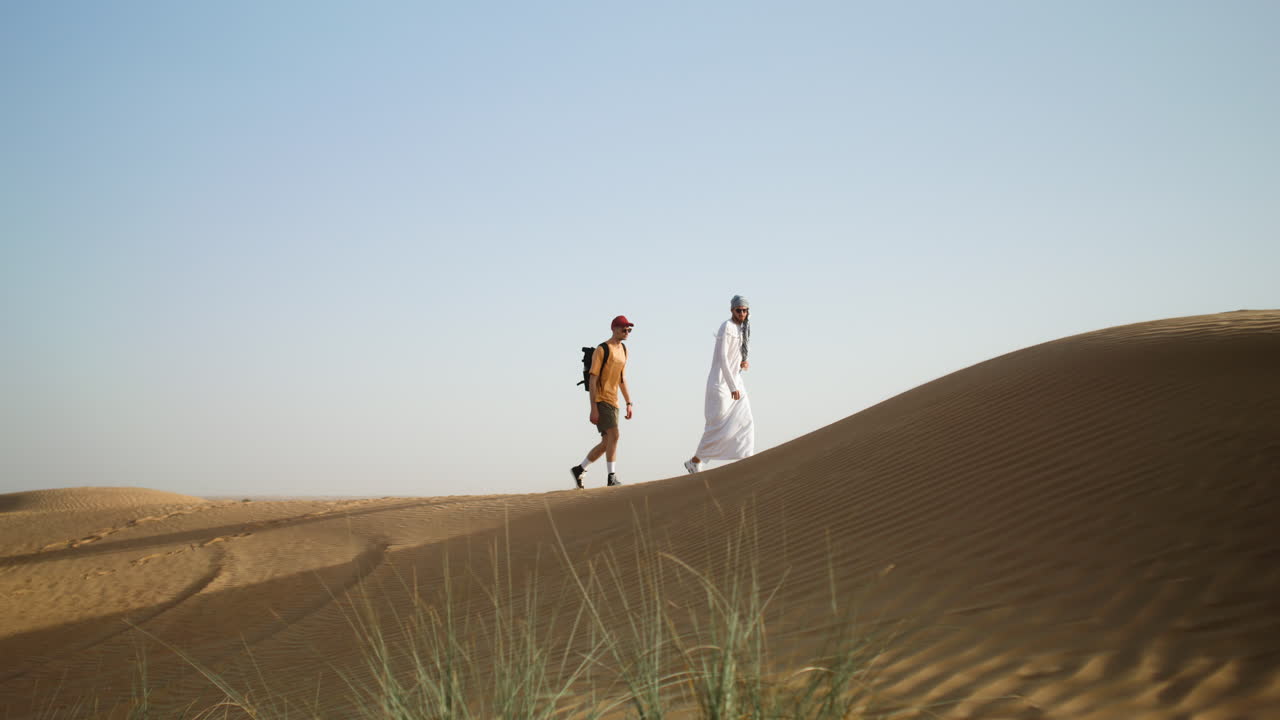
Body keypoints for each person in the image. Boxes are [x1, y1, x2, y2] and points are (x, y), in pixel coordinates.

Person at [684, 295, 754, 474]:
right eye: (739, 310)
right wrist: (732, 387)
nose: (742, 313)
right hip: (721, 384)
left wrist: (741, 364)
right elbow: (723, 358)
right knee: (717, 425)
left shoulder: (743, 329)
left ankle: (747, 458)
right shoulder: (727, 327)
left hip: (736, 380)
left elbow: (733, 357)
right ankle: (694, 461)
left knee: (745, 420)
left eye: (745, 310)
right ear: (732, 310)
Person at [571, 315, 634, 488]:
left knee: (607, 442)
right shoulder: (602, 349)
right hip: (601, 399)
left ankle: (580, 469)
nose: (627, 332)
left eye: (629, 329)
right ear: (614, 328)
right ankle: (611, 477)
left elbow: (622, 378)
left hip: (614, 401)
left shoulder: (624, 350)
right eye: (624, 328)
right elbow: (592, 379)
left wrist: (629, 402)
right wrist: (593, 408)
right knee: (615, 435)